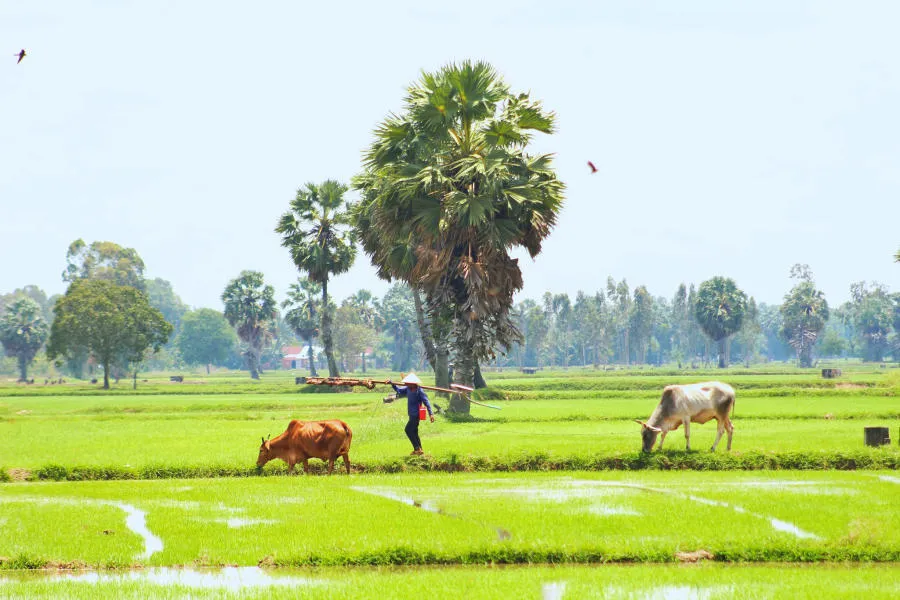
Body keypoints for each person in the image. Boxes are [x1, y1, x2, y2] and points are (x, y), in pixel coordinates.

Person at [388, 373, 434, 455]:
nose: (405, 384)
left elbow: (426, 402)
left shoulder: (419, 391)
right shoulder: (408, 389)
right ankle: (420, 450)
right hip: (411, 414)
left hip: (416, 415)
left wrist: (431, 414)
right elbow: (399, 390)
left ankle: (417, 448)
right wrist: (392, 383)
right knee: (414, 432)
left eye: (407, 382)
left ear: (413, 383)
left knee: (408, 430)